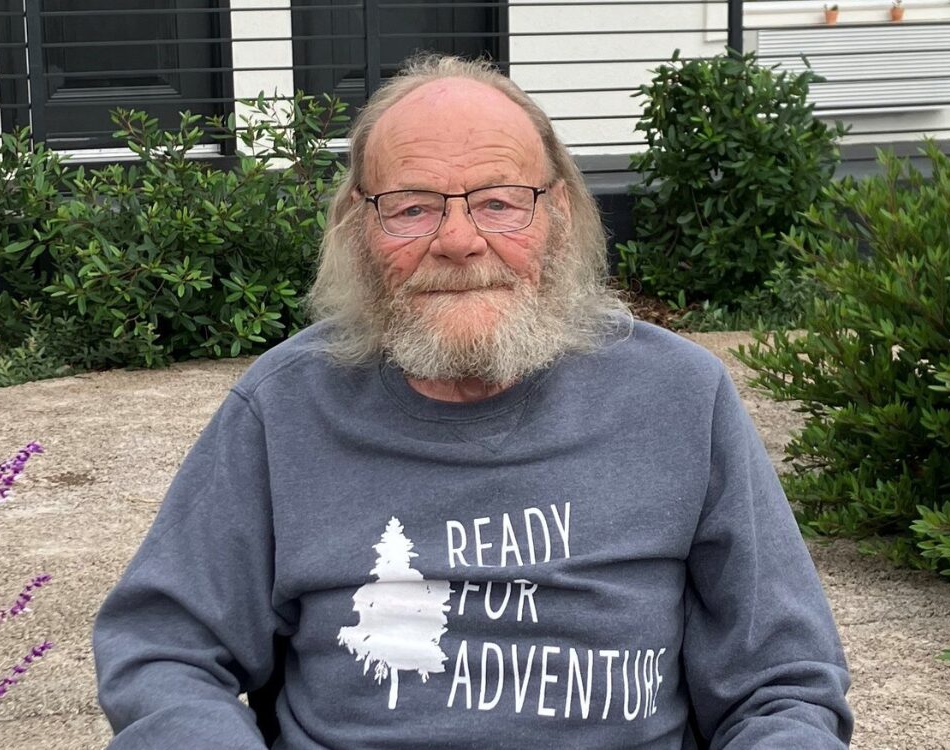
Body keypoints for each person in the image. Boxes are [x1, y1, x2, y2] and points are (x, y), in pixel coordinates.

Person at [92, 53, 853, 749]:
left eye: (498, 202)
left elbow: (781, 683)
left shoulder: (680, 397)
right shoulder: (283, 408)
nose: (458, 241)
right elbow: (165, 652)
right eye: (414, 207)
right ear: (360, 229)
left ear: (559, 216)